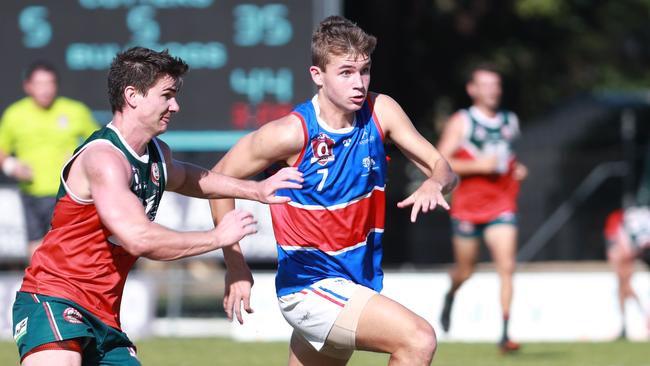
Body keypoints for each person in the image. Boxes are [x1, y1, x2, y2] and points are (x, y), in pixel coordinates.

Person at [11, 47, 303, 366]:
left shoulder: (156, 155)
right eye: (167, 95)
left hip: (104, 315)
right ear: (133, 95)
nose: (175, 106)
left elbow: (192, 177)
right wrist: (216, 237)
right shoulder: (105, 160)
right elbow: (140, 238)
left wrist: (256, 189)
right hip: (54, 299)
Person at [210, 16, 457, 366]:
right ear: (317, 76)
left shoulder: (380, 112)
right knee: (418, 340)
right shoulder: (290, 134)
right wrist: (235, 266)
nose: (358, 83)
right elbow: (218, 181)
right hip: (309, 286)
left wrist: (435, 181)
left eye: (365, 70)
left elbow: (443, 167)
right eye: (345, 72)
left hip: (353, 283)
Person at [436, 63, 528, 353]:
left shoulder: (509, 121)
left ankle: (504, 334)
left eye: (496, 85)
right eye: (485, 85)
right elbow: (439, 160)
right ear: (472, 90)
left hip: (501, 206)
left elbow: (508, 159)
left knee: (507, 267)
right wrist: (478, 166)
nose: (492, 90)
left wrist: (517, 170)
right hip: (467, 208)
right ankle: (452, 293)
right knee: (466, 270)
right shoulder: (462, 122)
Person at [0, 61, 99, 258]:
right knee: (37, 251)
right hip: (32, 194)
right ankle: (40, 287)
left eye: (50, 83)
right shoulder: (14, 115)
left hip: (69, 194)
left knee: (69, 249)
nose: (45, 89)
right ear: (28, 86)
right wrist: (12, 166)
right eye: (39, 84)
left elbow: (100, 143)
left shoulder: (75, 111)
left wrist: (78, 156)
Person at [604, 207, 650, 338]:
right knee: (623, 288)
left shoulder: (620, 219)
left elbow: (620, 240)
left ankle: (644, 318)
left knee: (625, 286)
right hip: (632, 252)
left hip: (630, 252)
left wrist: (621, 253)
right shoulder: (635, 216)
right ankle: (625, 324)